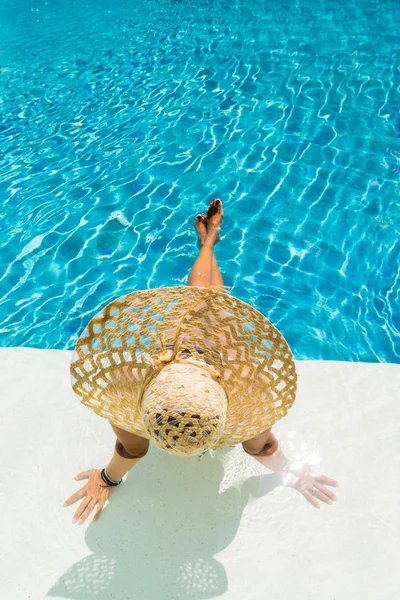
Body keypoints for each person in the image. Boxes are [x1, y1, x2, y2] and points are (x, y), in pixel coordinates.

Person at [64, 198, 338, 525]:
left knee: (205, 298)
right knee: (211, 302)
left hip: (180, 367)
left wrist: (106, 479)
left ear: (148, 386)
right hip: (204, 369)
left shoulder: (127, 397)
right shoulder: (248, 391)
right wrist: (292, 471)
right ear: (223, 381)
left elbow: (131, 452)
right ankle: (209, 242)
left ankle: (208, 242)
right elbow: (262, 448)